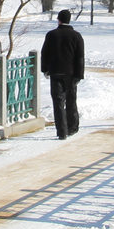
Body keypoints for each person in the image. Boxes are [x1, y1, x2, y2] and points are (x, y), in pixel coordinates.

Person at [40, 9, 85, 139]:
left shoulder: (51, 35)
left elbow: (45, 53)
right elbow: (80, 57)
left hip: (55, 72)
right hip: (71, 74)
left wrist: (45, 69)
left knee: (58, 101)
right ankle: (72, 127)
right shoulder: (76, 36)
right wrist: (79, 74)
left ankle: (61, 131)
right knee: (71, 100)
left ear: (59, 20)